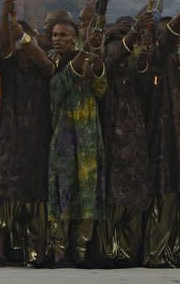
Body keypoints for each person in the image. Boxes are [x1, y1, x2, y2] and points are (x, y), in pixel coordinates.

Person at [0, 0, 54, 267]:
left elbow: (47, 66)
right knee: (3, 197)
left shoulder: (45, 66)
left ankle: (35, 253)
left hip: (39, 141)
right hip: (9, 141)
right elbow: (3, 48)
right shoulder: (9, 67)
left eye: (26, 41)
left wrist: (25, 38)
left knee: (36, 198)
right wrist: (6, 17)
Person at [141, 0, 180, 268]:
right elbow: (166, 41)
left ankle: (172, 250)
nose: (171, 37)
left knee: (176, 190)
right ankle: (154, 250)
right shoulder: (152, 56)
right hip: (154, 135)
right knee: (159, 190)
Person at [47, 18, 106, 267]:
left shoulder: (90, 59)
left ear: (74, 37)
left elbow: (101, 89)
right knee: (62, 191)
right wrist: (86, 52)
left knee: (88, 193)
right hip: (62, 137)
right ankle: (60, 252)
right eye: (54, 35)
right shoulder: (50, 62)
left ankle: (82, 251)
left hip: (89, 136)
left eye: (63, 35)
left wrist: (98, 60)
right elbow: (59, 87)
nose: (57, 39)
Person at [97, 10, 152, 268]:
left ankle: (131, 251)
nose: (126, 36)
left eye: (131, 30)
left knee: (134, 195)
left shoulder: (141, 58)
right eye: (122, 30)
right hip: (109, 130)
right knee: (111, 194)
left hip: (136, 133)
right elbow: (111, 58)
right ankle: (108, 252)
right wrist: (129, 35)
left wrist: (142, 40)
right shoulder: (107, 53)